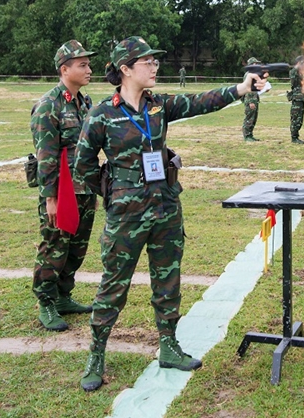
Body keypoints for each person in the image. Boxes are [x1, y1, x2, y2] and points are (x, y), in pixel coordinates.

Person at [73, 36, 265, 392]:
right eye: (147, 62)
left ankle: (169, 346)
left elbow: (200, 101)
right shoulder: (102, 114)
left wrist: (241, 87)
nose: (155, 67)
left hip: (165, 209)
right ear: (126, 69)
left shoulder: (158, 105)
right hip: (126, 218)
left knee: (168, 282)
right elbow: (82, 167)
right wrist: (115, 195)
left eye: (155, 62)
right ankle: (96, 355)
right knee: (113, 287)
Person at [30, 40, 98, 332]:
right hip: (62, 191)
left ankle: (63, 295)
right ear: (64, 69)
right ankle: (45, 301)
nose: (89, 69)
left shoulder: (85, 102)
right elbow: (45, 157)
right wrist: (50, 199)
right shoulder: (48, 106)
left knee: (77, 248)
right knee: (55, 246)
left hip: (85, 188)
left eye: (88, 64)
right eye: (82, 65)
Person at [242, 57, 261, 142]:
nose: (257, 65)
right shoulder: (249, 74)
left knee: (253, 118)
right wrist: (251, 102)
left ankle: (250, 135)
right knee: (249, 118)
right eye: (255, 63)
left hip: (254, 99)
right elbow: (248, 88)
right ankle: (247, 136)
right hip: (250, 100)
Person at [288, 57, 304, 144]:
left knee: (300, 118)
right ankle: (294, 137)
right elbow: (295, 82)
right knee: (296, 118)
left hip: (301, 97)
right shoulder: (294, 71)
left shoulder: (299, 72)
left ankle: (296, 136)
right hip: (297, 97)